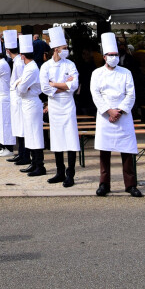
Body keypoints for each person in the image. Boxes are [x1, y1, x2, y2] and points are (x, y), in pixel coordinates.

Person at [91, 31, 142, 197]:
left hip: (123, 114)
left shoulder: (125, 72)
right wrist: (108, 110)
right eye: (110, 55)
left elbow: (131, 94)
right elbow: (95, 94)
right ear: (105, 56)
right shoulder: (96, 73)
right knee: (104, 151)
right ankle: (104, 184)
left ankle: (130, 184)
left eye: (116, 54)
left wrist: (119, 111)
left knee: (127, 151)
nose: (114, 57)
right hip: (105, 115)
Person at [40, 26, 79, 187]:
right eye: (64, 48)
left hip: (68, 105)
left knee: (70, 139)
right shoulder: (46, 66)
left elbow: (74, 85)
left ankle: (71, 174)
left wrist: (54, 84)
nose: (66, 50)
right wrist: (64, 85)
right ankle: (59, 171)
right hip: (55, 105)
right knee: (56, 139)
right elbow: (44, 87)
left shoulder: (70, 64)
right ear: (56, 49)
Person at [15, 34, 45, 175]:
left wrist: (20, 85)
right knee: (30, 134)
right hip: (27, 103)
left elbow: (20, 88)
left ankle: (40, 165)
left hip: (32, 103)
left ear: (22, 55)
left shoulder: (31, 68)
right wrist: (20, 85)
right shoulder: (29, 67)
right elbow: (20, 86)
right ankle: (34, 163)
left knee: (35, 134)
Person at [5, 29, 28, 164]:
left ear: (8, 50)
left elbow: (21, 80)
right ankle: (21, 154)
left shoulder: (19, 62)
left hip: (19, 98)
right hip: (15, 98)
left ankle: (24, 155)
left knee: (21, 128)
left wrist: (15, 86)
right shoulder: (16, 61)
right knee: (18, 127)